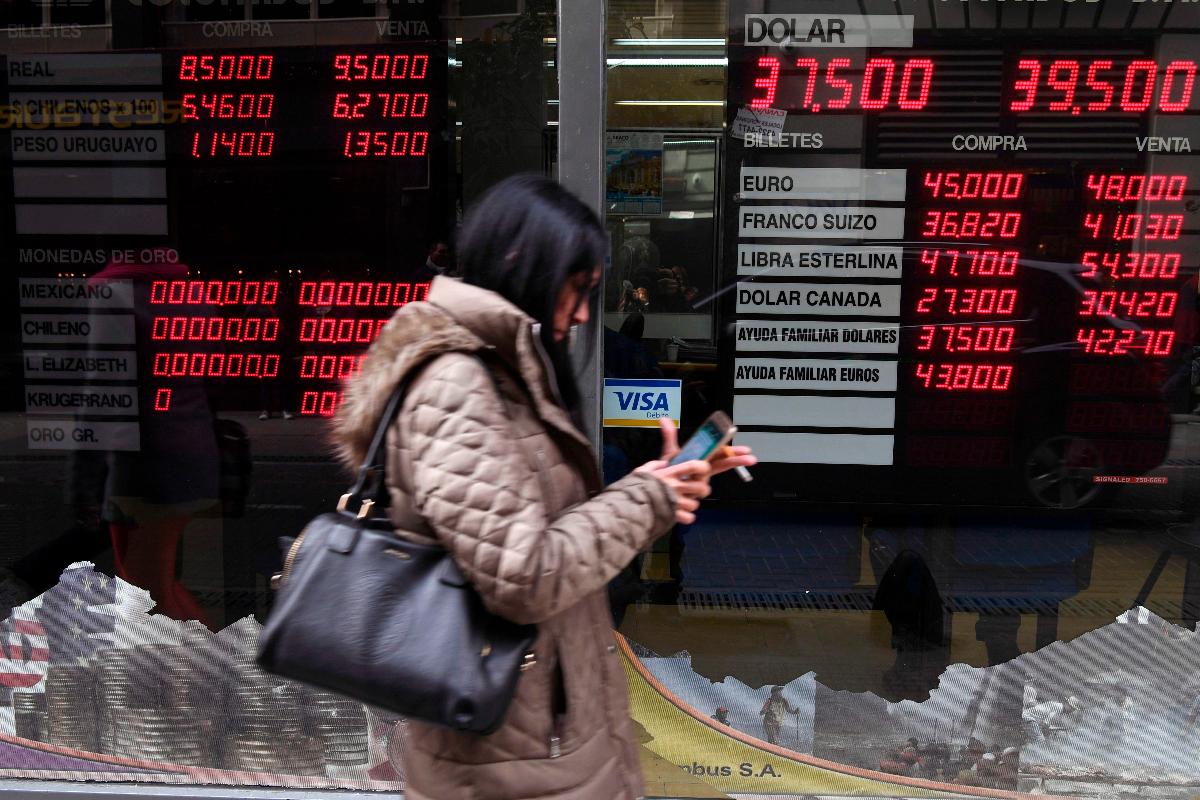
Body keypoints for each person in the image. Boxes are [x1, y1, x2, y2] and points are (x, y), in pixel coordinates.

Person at [333, 174, 755, 800]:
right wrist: (648, 499)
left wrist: (654, 487)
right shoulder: (457, 386)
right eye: (576, 288)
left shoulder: (504, 369)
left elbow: (538, 535)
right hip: (504, 756)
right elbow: (525, 575)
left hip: (533, 736)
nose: (584, 313)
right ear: (518, 263)